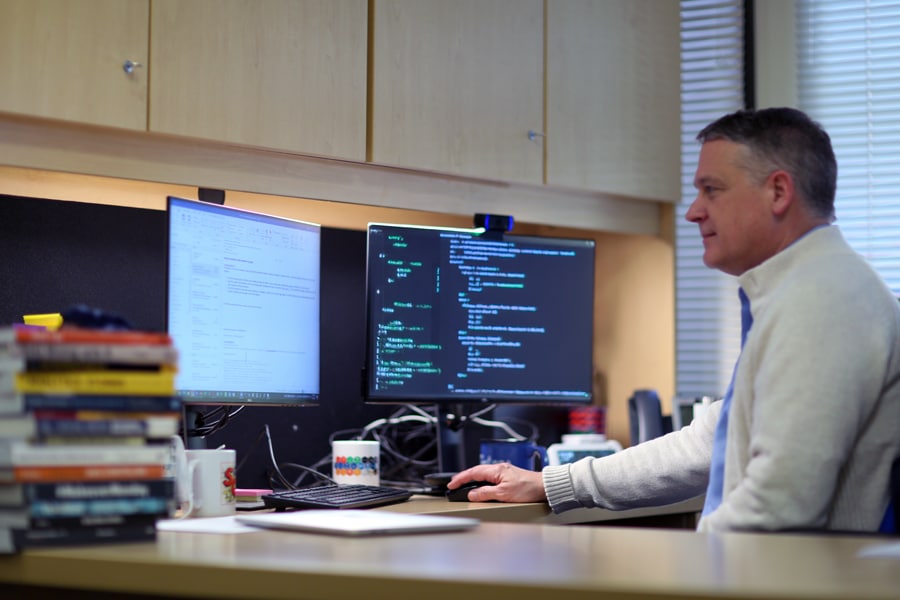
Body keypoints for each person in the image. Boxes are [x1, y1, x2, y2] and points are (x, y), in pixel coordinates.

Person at [448, 107, 900, 533]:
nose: (692, 211)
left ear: (778, 192)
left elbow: (777, 506)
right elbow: (707, 444)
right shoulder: (810, 289)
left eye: (712, 189)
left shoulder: (819, 302)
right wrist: (551, 483)